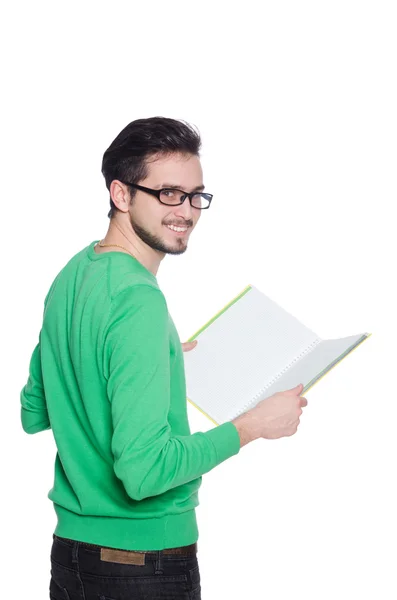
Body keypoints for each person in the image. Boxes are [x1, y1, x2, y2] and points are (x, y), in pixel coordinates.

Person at [20, 116, 308, 600]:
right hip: (141, 567)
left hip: (73, 557)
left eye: (197, 195)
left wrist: (150, 358)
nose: (187, 211)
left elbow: (36, 410)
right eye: (168, 193)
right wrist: (253, 425)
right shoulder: (138, 301)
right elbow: (144, 472)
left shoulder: (73, 274)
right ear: (121, 194)